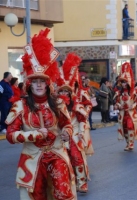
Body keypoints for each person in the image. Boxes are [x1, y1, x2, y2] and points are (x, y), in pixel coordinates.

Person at [5, 29, 77, 199]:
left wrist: (67, 132)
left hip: (56, 153)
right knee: (37, 195)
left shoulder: (58, 103)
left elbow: (67, 124)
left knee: (62, 192)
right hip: (32, 158)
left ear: (47, 84)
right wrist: (35, 134)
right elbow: (10, 135)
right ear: (29, 84)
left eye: (42, 81)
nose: (38, 85)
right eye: (35, 81)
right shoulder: (20, 106)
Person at [56, 52, 90, 193]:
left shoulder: (76, 105)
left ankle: (82, 182)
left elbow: (82, 119)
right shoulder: (55, 106)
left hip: (75, 135)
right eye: (62, 91)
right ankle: (70, 182)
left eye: (67, 92)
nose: (64, 94)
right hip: (61, 136)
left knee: (77, 158)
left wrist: (82, 132)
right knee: (64, 161)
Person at [114, 62, 137, 151]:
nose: (124, 84)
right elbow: (116, 102)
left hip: (131, 113)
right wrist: (118, 106)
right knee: (124, 128)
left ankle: (131, 143)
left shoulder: (133, 92)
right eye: (122, 82)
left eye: (125, 82)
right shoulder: (118, 93)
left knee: (130, 126)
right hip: (122, 114)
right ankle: (128, 143)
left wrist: (132, 106)